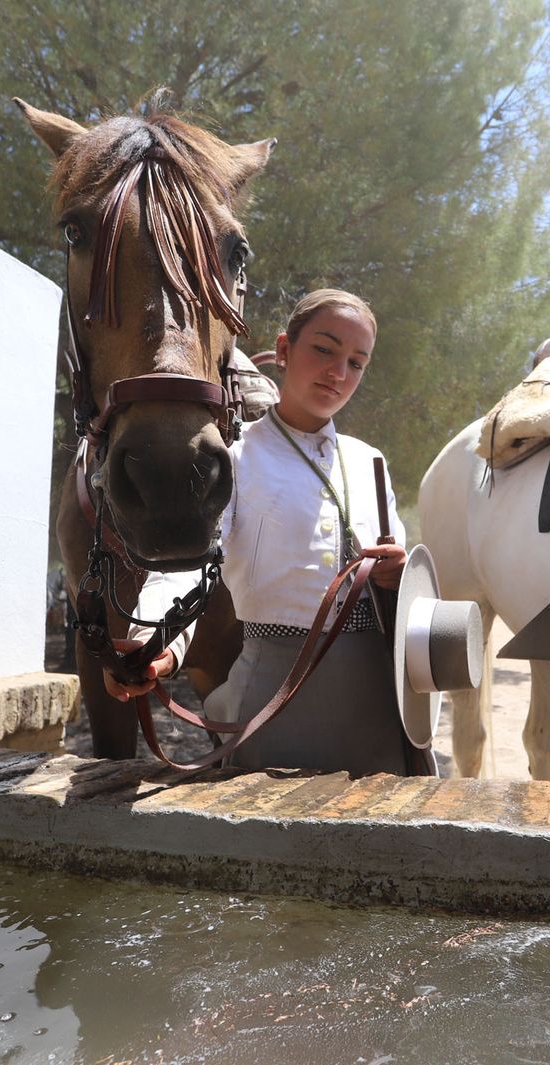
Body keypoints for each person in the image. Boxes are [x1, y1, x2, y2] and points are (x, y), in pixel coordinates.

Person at [105, 289, 415, 775]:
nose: (338, 374)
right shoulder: (235, 458)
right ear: (285, 350)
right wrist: (153, 643)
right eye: (324, 349)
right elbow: (188, 569)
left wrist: (401, 574)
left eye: (357, 363)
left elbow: (405, 575)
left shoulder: (370, 461)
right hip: (274, 692)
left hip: (377, 695)